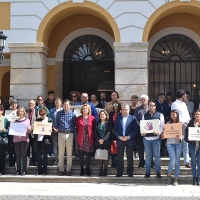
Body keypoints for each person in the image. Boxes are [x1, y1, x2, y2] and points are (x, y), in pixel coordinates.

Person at [142, 100, 164, 178]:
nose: (151, 107)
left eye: (153, 105)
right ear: (148, 106)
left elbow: (162, 126)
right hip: (147, 139)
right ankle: (147, 172)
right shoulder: (144, 116)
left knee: (157, 156)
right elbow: (142, 127)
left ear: (155, 106)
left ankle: (158, 172)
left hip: (156, 138)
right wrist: (143, 132)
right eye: (150, 105)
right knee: (148, 156)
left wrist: (158, 132)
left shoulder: (160, 115)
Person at [114, 103, 138, 177]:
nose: (125, 111)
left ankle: (130, 172)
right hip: (120, 140)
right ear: (121, 110)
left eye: (126, 109)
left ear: (129, 110)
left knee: (130, 157)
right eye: (123, 109)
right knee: (120, 157)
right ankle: (119, 172)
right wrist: (119, 137)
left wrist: (128, 137)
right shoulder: (118, 118)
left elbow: (135, 130)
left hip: (129, 140)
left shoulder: (133, 118)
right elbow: (115, 129)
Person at [162, 110, 183, 186]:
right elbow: (164, 135)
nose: (172, 116)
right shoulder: (168, 124)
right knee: (173, 160)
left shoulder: (181, 124)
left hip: (178, 144)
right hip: (170, 144)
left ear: (177, 115)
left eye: (174, 114)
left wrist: (181, 137)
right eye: (171, 115)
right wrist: (164, 133)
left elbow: (184, 135)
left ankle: (176, 179)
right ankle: (169, 175)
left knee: (177, 162)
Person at [171, 89, 191, 168]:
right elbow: (174, 116)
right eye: (185, 94)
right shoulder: (175, 104)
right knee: (178, 144)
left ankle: (186, 161)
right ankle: (176, 162)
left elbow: (187, 114)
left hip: (186, 125)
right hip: (179, 125)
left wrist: (188, 121)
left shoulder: (183, 104)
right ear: (183, 95)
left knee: (186, 144)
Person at [56, 99, 76, 176]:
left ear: (70, 105)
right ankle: (61, 169)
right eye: (65, 105)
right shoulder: (58, 113)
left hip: (70, 134)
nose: (66, 106)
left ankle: (68, 170)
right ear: (62, 105)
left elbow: (74, 125)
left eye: (67, 105)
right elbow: (57, 124)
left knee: (69, 153)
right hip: (61, 134)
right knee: (60, 153)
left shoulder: (73, 114)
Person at [76, 104, 96, 176]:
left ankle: (87, 168)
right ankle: (82, 169)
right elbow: (77, 128)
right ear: (82, 110)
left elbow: (93, 127)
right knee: (81, 155)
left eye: (86, 109)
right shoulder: (78, 118)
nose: (85, 110)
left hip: (89, 138)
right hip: (81, 138)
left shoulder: (92, 118)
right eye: (84, 109)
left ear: (88, 110)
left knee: (88, 155)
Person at [33, 107, 53, 175]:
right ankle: (39, 170)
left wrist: (51, 130)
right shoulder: (38, 120)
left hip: (46, 140)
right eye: (40, 114)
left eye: (43, 114)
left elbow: (51, 129)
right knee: (38, 156)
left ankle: (44, 170)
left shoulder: (49, 120)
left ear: (46, 113)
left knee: (45, 156)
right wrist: (34, 128)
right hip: (38, 140)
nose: (42, 116)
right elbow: (35, 129)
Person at [13, 107, 31, 175]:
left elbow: (29, 131)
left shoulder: (27, 120)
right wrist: (11, 128)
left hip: (24, 140)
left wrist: (29, 129)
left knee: (24, 155)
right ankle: (18, 170)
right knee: (17, 155)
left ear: (24, 112)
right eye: (19, 111)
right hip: (16, 140)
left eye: (22, 111)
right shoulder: (15, 121)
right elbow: (13, 131)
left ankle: (24, 170)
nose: (20, 112)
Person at [185, 108, 200, 185]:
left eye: (198, 114)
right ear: (194, 115)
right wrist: (188, 139)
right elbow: (186, 134)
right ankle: (194, 177)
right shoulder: (190, 123)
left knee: (199, 161)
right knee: (193, 161)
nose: (197, 116)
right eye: (196, 114)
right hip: (192, 144)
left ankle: (199, 178)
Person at [94, 110, 112, 176]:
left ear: (106, 115)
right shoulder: (97, 123)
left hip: (106, 142)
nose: (102, 115)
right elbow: (95, 132)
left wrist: (103, 139)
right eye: (101, 114)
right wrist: (99, 139)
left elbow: (109, 132)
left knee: (106, 157)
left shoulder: (108, 123)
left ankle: (105, 171)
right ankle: (101, 170)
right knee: (100, 157)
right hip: (98, 142)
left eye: (103, 114)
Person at [134, 95, 149, 168]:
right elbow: (135, 119)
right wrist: (141, 126)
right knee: (140, 148)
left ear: (147, 101)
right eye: (142, 100)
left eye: (145, 100)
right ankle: (141, 163)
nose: (143, 101)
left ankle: (150, 163)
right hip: (140, 131)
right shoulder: (137, 109)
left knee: (149, 148)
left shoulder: (150, 108)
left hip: (149, 132)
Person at [49, 97, 63, 166]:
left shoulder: (63, 110)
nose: (57, 104)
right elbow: (49, 120)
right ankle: (56, 159)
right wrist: (53, 128)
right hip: (53, 130)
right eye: (56, 102)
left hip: (61, 131)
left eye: (58, 102)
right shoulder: (51, 110)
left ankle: (61, 160)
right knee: (55, 145)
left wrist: (59, 129)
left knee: (61, 146)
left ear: (61, 103)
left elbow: (64, 121)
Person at [109, 101, 121, 168]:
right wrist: (112, 130)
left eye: (117, 104)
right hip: (112, 133)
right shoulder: (110, 114)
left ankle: (117, 162)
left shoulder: (121, 114)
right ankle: (113, 162)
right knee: (112, 148)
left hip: (119, 133)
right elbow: (109, 123)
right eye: (114, 104)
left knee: (119, 148)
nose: (115, 106)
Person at [26, 99, 39, 166]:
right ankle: (27, 161)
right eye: (29, 103)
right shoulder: (26, 112)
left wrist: (34, 126)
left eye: (32, 103)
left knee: (34, 148)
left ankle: (34, 161)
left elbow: (39, 121)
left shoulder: (37, 112)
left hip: (34, 133)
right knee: (27, 148)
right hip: (26, 134)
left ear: (34, 105)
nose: (30, 104)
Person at [8, 98, 18, 167]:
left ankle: (15, 162)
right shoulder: (8, 113)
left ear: (17, 105)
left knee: (16, 149)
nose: (14, 105)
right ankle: (11, 161)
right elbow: (6, 122)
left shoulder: (19, 112)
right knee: (10, 148)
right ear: (11, 105)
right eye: (12, 104)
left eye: (15, 103)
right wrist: (7, 126)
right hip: (10, 133)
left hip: (17, 133)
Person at [0, 105, 10, 175]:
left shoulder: (5, 120)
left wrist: (5, 130)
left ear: (2, 111)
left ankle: (1, 170)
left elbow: (9, 130)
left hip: (2, 139)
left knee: (2, 155)